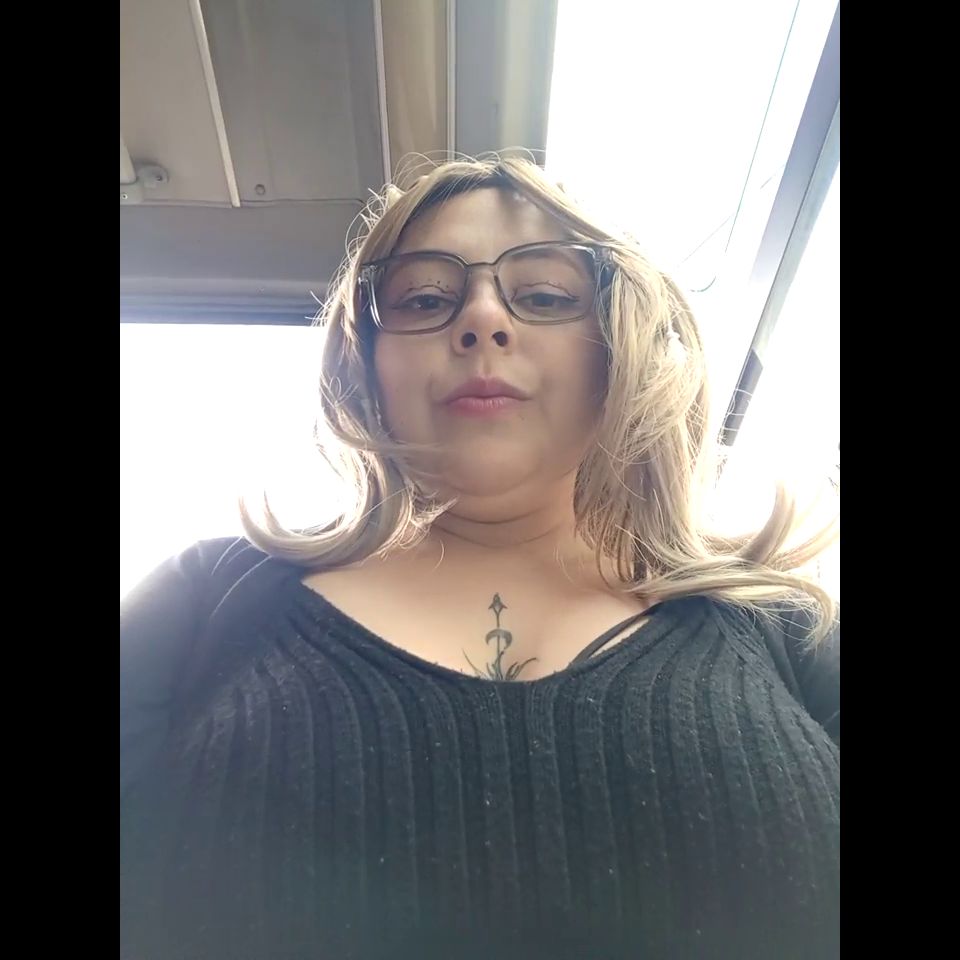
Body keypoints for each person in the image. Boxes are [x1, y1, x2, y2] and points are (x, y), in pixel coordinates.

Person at [120, 155, 839, 960]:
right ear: (368, 361)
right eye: (425, 299)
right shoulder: (204, 602)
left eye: (546, 296)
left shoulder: (787, 626)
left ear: (620, 343)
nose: (483, 320)